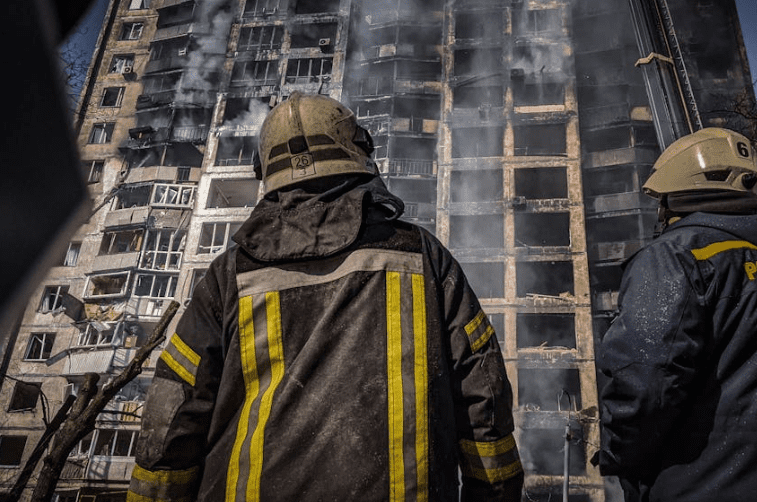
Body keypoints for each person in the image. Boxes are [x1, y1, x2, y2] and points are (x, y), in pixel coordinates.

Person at [127, 92, 523, 501]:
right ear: (358, 153)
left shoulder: (227, 278)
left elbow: (172, 418)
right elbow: (484, 399)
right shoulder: (423, 258)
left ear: (266, 172)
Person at [595, 127, 757, 502]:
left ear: (674, 197)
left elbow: (644, 385)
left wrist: (621, 456)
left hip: (705, 486)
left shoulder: (678, 258)